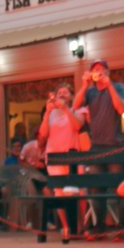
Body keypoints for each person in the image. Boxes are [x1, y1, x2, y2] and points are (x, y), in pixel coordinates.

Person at [73, 59, 124, 231]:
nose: (99, 72)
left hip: (115, 145)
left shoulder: (117, 87)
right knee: (96, 188)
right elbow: (74, 106)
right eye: (95, 70)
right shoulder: (90, 92)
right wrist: (84, 85)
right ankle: (99, 226)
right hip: (96, 147)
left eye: (102, 69)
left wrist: (109, 85)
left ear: (108, 72)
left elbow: (121, 109)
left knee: (120, 188)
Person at [36, 84, 86, 239]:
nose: (62, 94)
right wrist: (47, 112)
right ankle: (66, 227)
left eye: (66, 92)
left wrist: (65, 109)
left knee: (78, 191)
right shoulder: (50, 114)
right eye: (59, 92)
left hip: (72, 157)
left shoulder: (77, 111)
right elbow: (43, 135)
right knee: (59, 193)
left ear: (71, 97)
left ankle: (79, 226)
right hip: (54, 156)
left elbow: (77, 126)